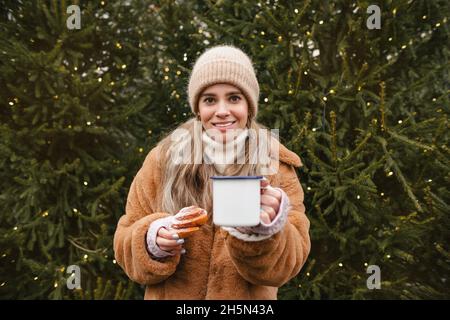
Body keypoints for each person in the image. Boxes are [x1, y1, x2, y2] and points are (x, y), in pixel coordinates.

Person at [113, 45, 311, 300]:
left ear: (249, 106)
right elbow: (124, 242)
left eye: (234, 98)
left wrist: (266, 231)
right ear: (198, 108)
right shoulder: (162, 160)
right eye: (209, 99)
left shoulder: (275, 165)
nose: (222, 111)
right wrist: (152, 241)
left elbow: (288, 264)